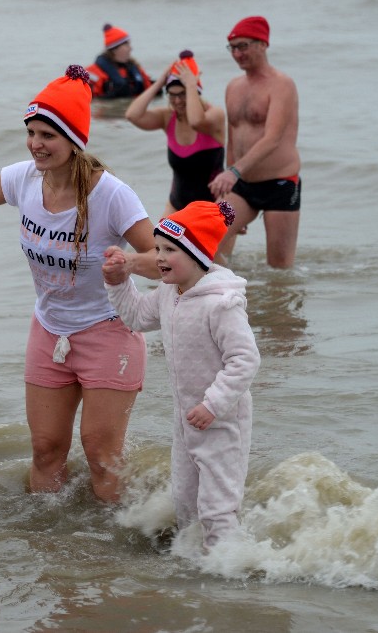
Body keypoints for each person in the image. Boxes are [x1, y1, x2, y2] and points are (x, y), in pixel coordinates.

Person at [0, 65, 159, 503]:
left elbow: (164, 261)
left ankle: (114, 548)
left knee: (101, 453)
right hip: (49, 329)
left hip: (108, 330)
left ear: (74, 140)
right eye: (31, 132)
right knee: (45, 449)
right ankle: (47, 540)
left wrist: (128, 263)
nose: (36, 144)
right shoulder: (23, 179)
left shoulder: (111, 195)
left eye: (48, 135)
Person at [102, 200, 260, 548]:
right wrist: (119, 281)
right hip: (185, 418)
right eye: (157, 248)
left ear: (197, 254)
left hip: (221, 420)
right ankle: (192, 572)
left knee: (217, 509)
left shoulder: (221, 303)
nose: (158, 257)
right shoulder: (168, 292)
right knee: (186, 502)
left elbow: (245, 359)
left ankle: (229, 576)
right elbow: (137, 318)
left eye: (170, 249)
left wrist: (213, 404)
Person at [209, 15, 301, 268]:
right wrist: (228, 178)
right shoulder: (233, 86)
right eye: (233, 48)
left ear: (263, 44)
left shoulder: (282, 84)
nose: (237, 54)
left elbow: (272, 139)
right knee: (203, 240)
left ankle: (273, 307)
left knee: (279, 270)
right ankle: (234, 290)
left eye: (243, 46)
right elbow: (233, 136)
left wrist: (233, 172)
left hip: (280, 184)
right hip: (241, 186)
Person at [124, 50, 227, 258]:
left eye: (183, 94)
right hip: (177, 203)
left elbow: (196, 121)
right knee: (160, 260)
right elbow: (132, 115)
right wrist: (159, 82)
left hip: (213, 208)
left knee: (214, 271)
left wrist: (191, 83)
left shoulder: (213, 116)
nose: (178, 101)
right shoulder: (167, 118)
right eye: (173, 94)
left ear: (195, 91)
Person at [86, 24, 154, 99]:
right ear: (115, 49)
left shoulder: (136, 69)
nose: (130, 48)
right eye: (126, 45)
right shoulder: (93, 73)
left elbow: (149, 89)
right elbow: (89, 100)